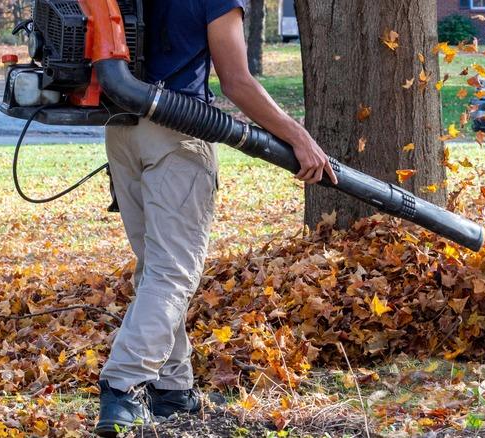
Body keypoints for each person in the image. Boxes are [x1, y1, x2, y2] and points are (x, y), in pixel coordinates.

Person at [94, 1, 338, 435]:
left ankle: (172, 389)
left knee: (156, 267)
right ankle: (123, 386)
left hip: (122, 127)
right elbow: (237, 82)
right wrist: (299, 137)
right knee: (173, 273)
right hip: (177, 131)